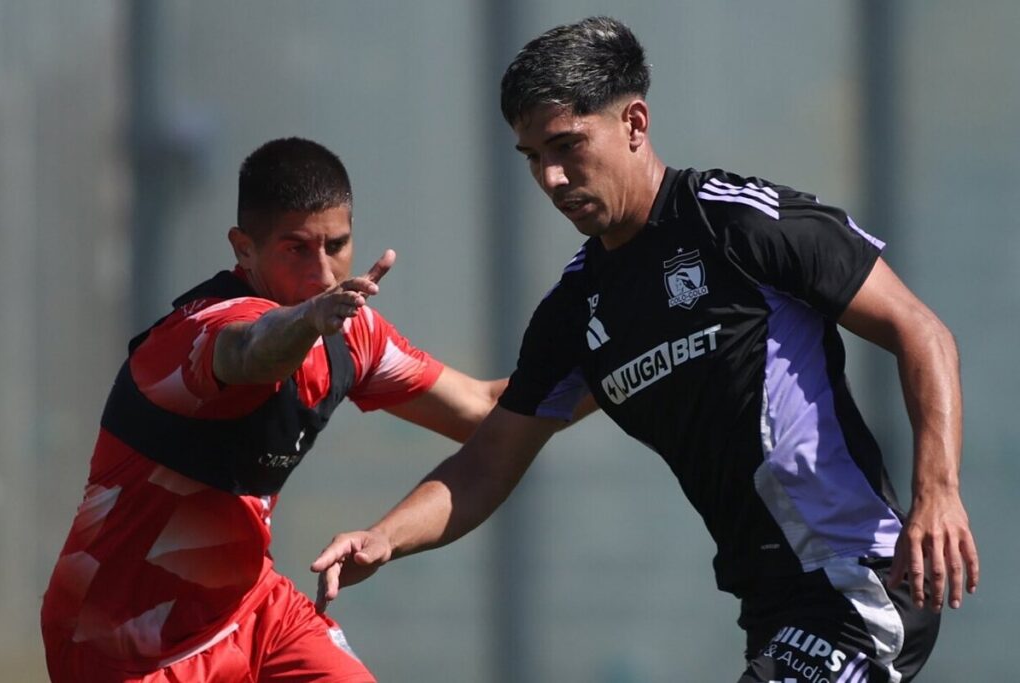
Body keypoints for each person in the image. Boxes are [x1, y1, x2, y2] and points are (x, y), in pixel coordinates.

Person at [313, 16, 980, 683]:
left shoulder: (737, 224)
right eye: (531, 157)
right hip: (770, 607)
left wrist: (938, 490)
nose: (550, 177)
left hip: (857, 581)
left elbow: (920, 329)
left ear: (634, 122)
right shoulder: (574, 313)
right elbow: (488, 459)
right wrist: (385, 536)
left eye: (566, 145)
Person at [40, 137, 511, 682]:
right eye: (296, 249)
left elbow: (485, 410)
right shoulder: (199, 332)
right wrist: (309, 321)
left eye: (337, 245)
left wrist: (610, 355)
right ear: (244, 249)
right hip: (121, 646)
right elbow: (253, 351)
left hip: (254, 611)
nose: (324, 274)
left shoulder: (350, 332)